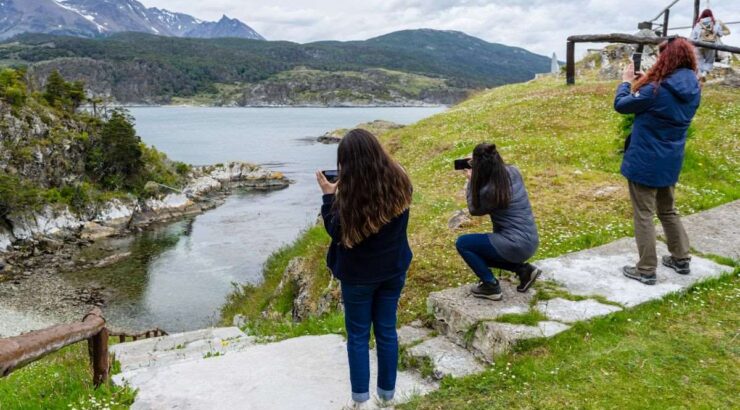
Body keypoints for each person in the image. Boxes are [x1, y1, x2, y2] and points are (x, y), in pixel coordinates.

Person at [316, 128, 413, 409]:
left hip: (358, 277)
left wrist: (328, 196)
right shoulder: (400, 180)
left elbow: (336, 231)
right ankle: (387, 397)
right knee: (386, 331)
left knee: (358, 336)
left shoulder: (349, 197)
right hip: (393, 269)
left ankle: (361, 401)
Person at [614, 37, 701, 285]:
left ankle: (646, 269)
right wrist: (645, 82)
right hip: (671, 159)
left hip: (645, 159)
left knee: (644, 214)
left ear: (668, 59)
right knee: (668, 210)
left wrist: (626, 83)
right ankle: (681, 258)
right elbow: (663, 98)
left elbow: (621, 105)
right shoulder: (695, 86)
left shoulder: (654, 90)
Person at [455, 143, 540, 300]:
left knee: (464, 244)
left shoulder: (490, 190)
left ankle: (490, 286)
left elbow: (474, 210)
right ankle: (523, 270)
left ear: (480, 166)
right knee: (479, 252)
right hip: (530, 239)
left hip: (515, 244)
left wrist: (471, 181)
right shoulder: (513, 171)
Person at [691, 9, 730, 78]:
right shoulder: (715, 23)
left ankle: (699, 76)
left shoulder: (698, 24)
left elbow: (693, 37)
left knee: (699, 62)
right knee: (709, 61)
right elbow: (720, 34)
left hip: (699, 45)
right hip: (710, 45)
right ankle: (704, 74)